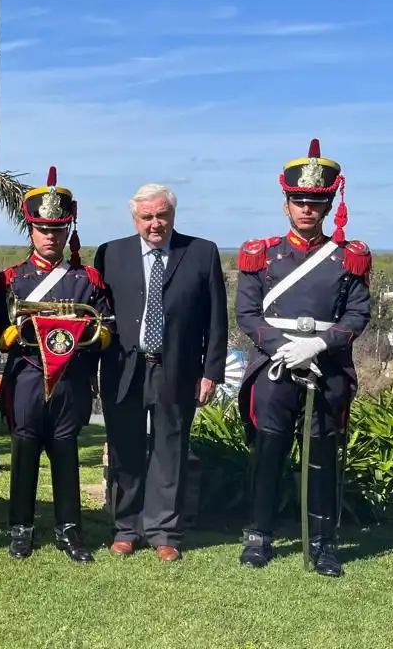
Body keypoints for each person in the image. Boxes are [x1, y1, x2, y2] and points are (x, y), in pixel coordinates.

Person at [235, 138, 370, 577]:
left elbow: (357, 314)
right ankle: (258, 535)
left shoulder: (348, 258)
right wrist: (284, 348)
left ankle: (323, 542)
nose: (307, 209)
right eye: (299, 201)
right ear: (286, 204)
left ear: (329, 205)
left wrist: (319, 344)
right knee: (268, 451)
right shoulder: (262, 254)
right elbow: (248, 314)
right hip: (274, 366)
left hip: (326, 367)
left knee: (322, 455)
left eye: (315, 202)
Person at [93, 182, 227, 561]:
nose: (155, 224)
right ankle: (126, 527)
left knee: (171, 448)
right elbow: (98, 316)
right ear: (135, 219)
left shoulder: (201, 253)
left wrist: (211, 371)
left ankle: (164, 531)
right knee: (125, 447)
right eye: (147, 217)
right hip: (123, 368)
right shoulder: (110, 253)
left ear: (172, 215)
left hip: (178, 369)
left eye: (162, 215)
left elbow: (217, 319)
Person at [0, 167, 111, 563]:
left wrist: (87, 331)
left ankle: (69, 530)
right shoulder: (12, 280)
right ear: (31, 230)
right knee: (24, 451)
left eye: (58, 229)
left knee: (65, 452)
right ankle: (20, 529)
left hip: (71, 379)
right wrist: (16, 332)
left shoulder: (88, 279)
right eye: (43, 229)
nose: (51, 236)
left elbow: (106, 327)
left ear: (68, 229)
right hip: (26, 375)